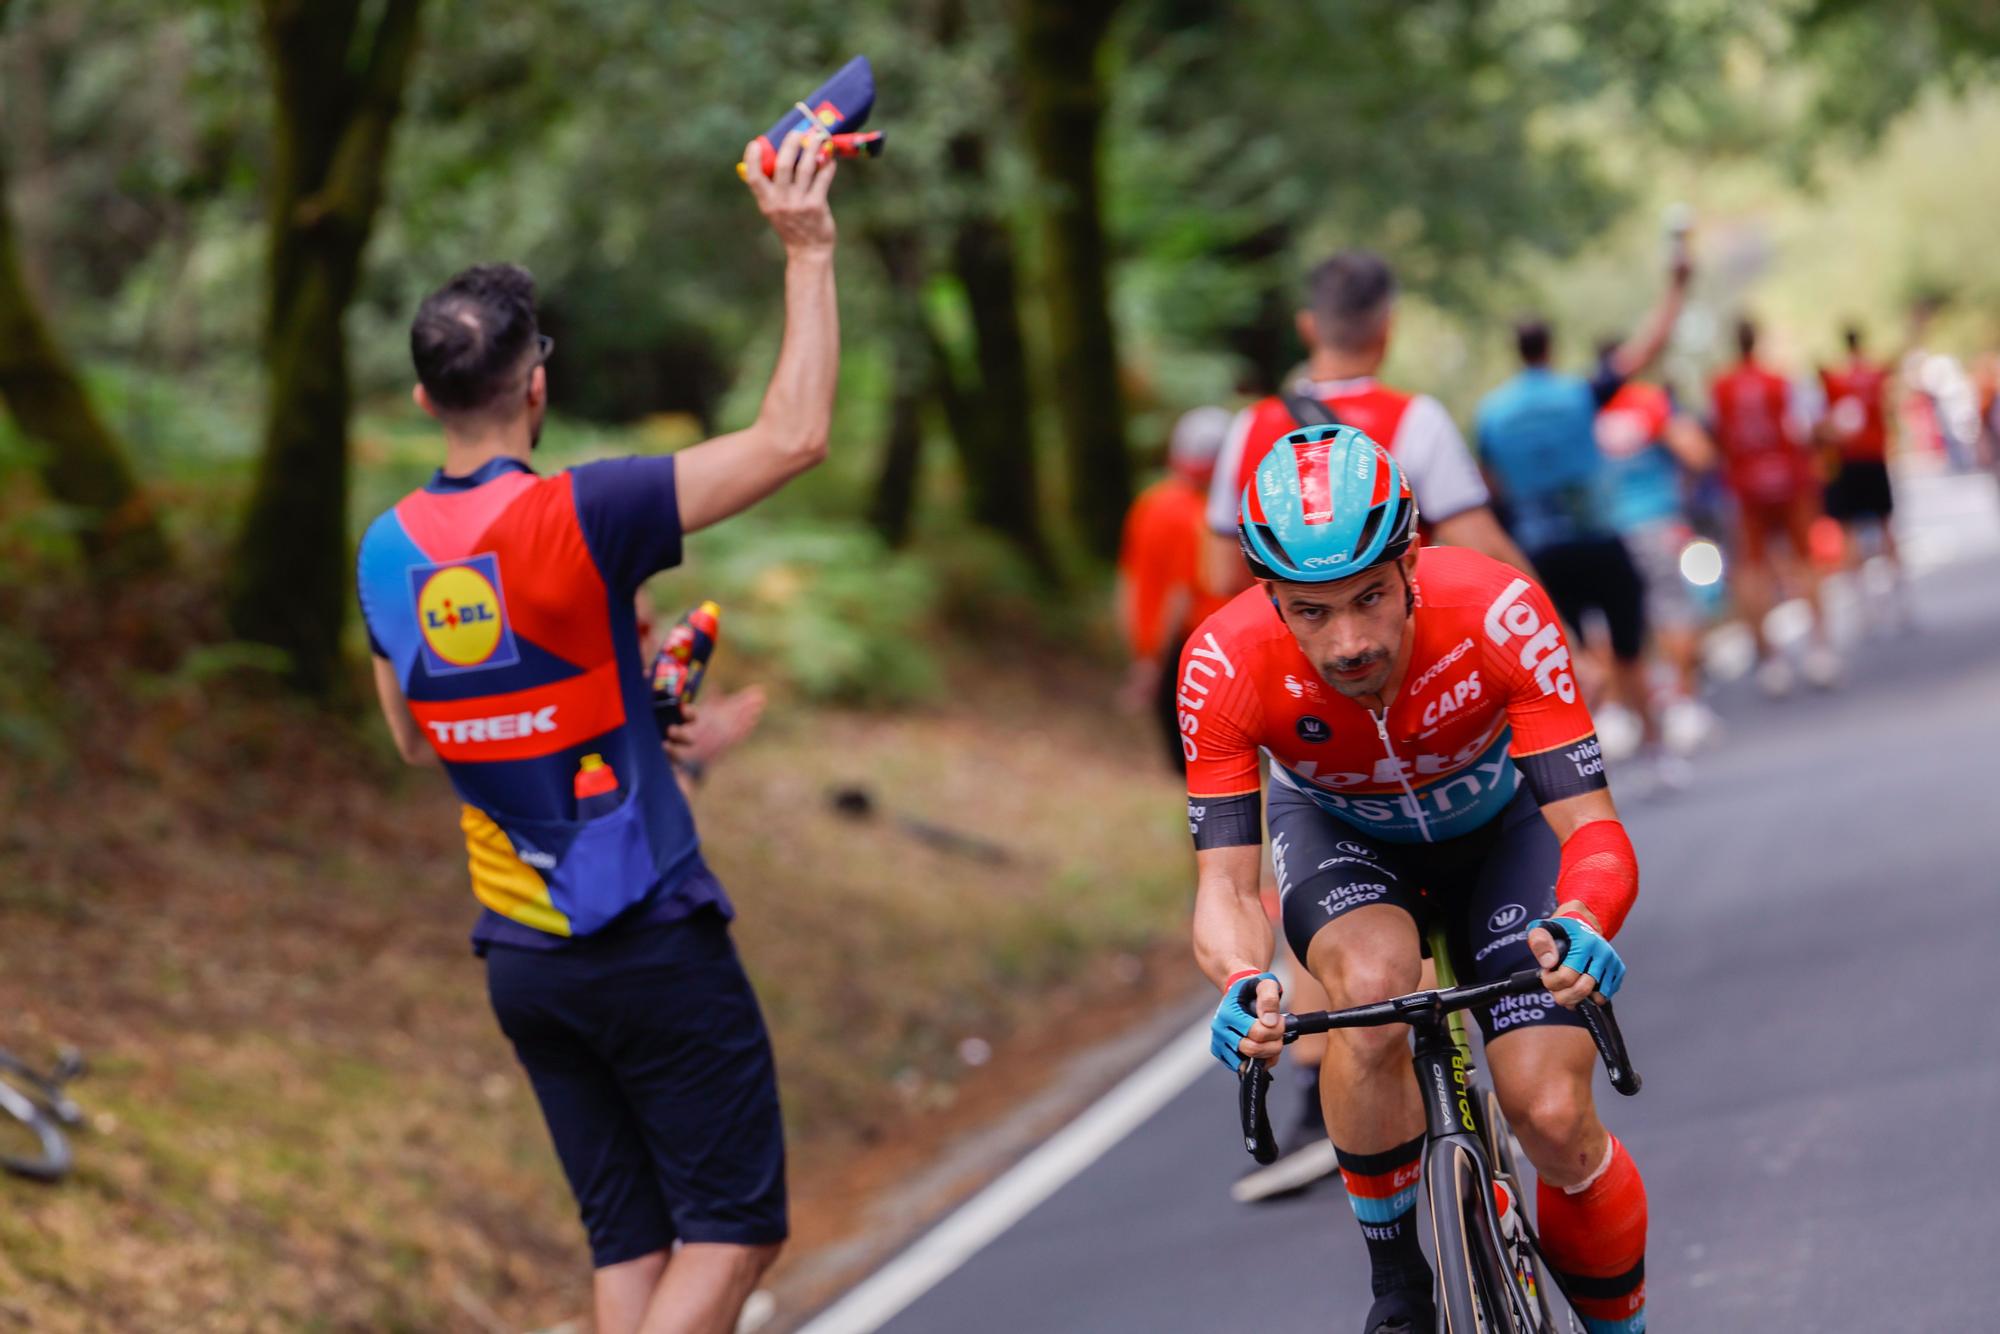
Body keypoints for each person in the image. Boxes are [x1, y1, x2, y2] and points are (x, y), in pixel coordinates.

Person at [354, 131, 839, 1334]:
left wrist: (640, 724)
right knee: (734, 1228)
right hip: (646, 935)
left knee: (632, 1243)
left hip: (522, 955)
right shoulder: (585, 510)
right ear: (536, 385)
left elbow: (423, 738)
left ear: (423, 396)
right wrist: (807, 248)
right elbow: (791, 438)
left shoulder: (383, 549)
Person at [1186, 426, 1648, 1334]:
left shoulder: (1498, 609)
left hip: (1506, 833)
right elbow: (1228, 888)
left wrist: (1588, 914)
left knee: (1551, 1113)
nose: (1349, 641)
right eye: (1310, 612)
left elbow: (1591, 827)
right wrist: (1243, 982)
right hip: (1345, 839)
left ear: (1413, 563)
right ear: (1267, 594)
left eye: (1370, 598)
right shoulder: (1222, 663)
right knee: (1367, 994)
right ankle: (1399, 1285)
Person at [1202, 250, 1535, 602]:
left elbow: (1221, 576)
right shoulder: (1417, 419)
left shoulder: (1250, 425)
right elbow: (1483, 548)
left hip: (1285, 646)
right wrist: (1564, 636)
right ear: (1388, 326)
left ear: (1307, 327)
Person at [1473, 257, 1689, 770]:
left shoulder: (1491, 414)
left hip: (1541, 552)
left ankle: (1580, 763)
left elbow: (1487, 485)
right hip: (1598, 538)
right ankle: (1657, 752)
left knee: (1565, 659)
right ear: (1549, 347)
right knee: (1630, 648)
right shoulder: (1577, 394)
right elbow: (1645, 352)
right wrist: (1677, 287)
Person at [1594, 364, 1721, 755]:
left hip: (1605, 531)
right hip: (1657, 522)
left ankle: (1617, 714)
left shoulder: (1584, 408)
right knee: (1674, 610)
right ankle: (1683, 707)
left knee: (1609, 623)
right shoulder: (1647, 402)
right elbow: (1699, 454)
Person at [1710, 318, 1839, 694]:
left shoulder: (1721, 387)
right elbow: (1808, 428)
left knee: (1753, 572)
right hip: (1790, 481)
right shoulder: (1781, 382)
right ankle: (1819, 650)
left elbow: (1718, 437)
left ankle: (1771, 660)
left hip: (1746, 485)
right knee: (1805, 564)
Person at [1116, 406, 1233, 768]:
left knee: (1180, 759)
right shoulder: (1203, 519)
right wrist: (1156, 666)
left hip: (1161, 650)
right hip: (1196, 651)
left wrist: (1140, 654)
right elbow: (1180, 597)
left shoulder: (1148, 503)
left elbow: (1127, 582)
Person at [1816, 326, 1909, 628]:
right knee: (1885, 527)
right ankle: (1900, 601)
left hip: (1850, 462)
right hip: (1873, 459)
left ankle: (1865, 609)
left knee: (1852, 534)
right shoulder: (1872, 374)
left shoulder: (1836, 380)